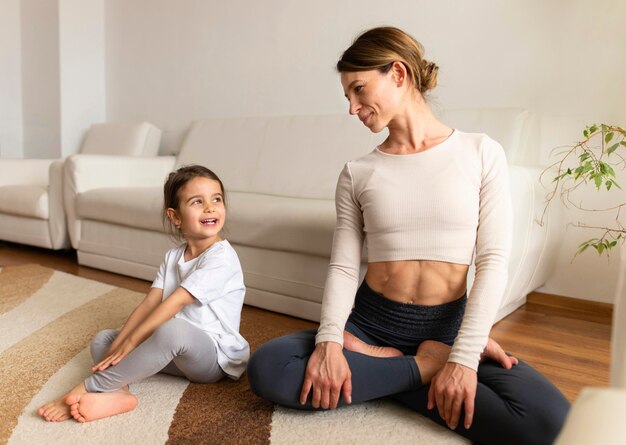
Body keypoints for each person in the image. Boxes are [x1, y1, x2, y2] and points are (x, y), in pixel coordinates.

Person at [247, 27, 569, 444]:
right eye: (347, 96)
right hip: (370, 327)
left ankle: (385, 375)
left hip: (447, 329)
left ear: (398, 73)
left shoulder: (480, 152)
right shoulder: (358, 172)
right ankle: (424, 369)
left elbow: (492, 261)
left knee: (550, 421)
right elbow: (344, 266)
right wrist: (330, 341)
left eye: (358, 90)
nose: (352, 107)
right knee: (270, 368)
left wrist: (465, 355)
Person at [38, 165, 249, 423]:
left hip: (212, 359)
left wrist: (131, 343)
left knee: (171, 329)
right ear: (175, 217)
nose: (210, 208)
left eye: (216, 199)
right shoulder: (173, 256)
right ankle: (120, 394)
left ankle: (90, 387)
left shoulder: (222, 257)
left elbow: (175, 302)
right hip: (173, 354)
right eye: (197, 202)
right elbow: (150, 303)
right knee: (104, 340)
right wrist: (121, 343)